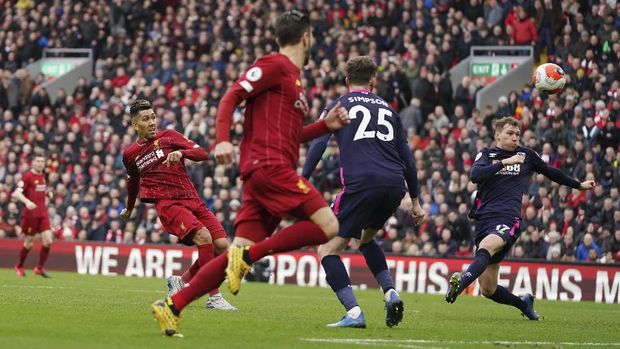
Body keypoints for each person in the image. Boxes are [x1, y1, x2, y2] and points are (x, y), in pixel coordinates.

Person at [150, 10, 350, 337]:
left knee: (231, 255)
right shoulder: (274, 65)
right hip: (270, 168)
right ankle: (249, 255)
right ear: (305, 37)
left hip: (262, 176)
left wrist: (325, 127)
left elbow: (293, 135)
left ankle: (172, 306)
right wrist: (222, 139)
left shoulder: (295, 81)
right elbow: (231, 96)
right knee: (329, 226)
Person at [302, 56, 425, 328]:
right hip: (394, 186)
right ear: (373, 81)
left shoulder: (338, 105)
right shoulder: (390, 110)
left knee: (326, 249)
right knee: (366, 240)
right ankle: (390, 292)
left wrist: (300, 181)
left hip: (362, 184)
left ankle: (355, 313)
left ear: (347, 81)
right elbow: (408, 161)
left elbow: (319, 145)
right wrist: (415, 202)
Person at [445, 117, 596, 320]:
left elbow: (550, 171)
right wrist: (504, 163)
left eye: (517, 134)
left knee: (486, 248)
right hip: (484, 220)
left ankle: (461, 282)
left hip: (509, 219)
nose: (515, 138)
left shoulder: (526, 155)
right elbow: (475, 175)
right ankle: (523, 304)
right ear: (497, 134)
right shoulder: (487, 154)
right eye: (510, 133)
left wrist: (578, 185)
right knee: (488, 289)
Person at [121, 99, 236, 311]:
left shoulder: (170, 137)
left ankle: (180, 282)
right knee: (204, 237)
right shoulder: (130, 154)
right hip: (168, 204)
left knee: (221, 246)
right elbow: (133, 182)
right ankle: (214, 296)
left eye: (153, 117)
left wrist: (182, 153)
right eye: (146, 119)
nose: (152, 122)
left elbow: (201, 153)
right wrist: (129, 207)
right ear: (135, 125)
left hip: (192, 199)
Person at [13, 153, 53, 278]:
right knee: (29, 243)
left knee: (48, 241)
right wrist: (27, 201)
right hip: (31, 215)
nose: (40, 163)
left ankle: (39, 268)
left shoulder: (43, 176)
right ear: (33, 162)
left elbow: (41, 192)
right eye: (38, 161)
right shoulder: (27, 176)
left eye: (42, 161)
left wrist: (48, 196)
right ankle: (19, 266)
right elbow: (16, 193)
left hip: (43, 214)